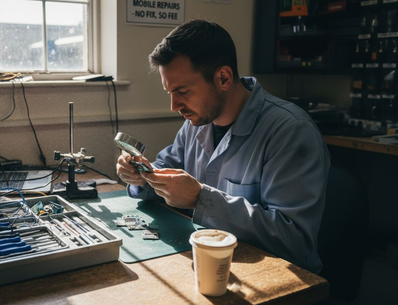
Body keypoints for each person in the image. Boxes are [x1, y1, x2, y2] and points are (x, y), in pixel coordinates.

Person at [115, 20, 330, 274]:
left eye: (182, 91)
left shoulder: (291, 131)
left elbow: (294, 238)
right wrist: (141, 177)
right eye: (169, 92)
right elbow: (164, 168)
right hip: (215, 265)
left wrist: (200, 199)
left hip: (280, 280)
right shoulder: (196, 122)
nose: (174, 105)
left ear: (224, 78)